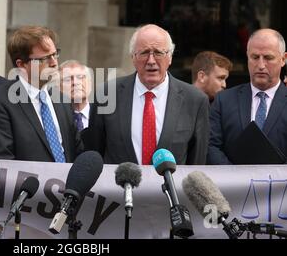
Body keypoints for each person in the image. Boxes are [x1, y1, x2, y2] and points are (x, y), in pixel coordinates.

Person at [86, 24, 209, 165]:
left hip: (171, 186)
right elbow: (94, 154)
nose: (151, 61)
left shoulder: (195, 100)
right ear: (133, 57)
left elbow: (197, 162)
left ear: (169, 57)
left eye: (158, 52)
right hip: (119, 185)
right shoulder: (107, 94)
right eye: (144, 53)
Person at [0, 26, 83, 162]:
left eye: (54, 54)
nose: (54, 63)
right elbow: (4, 161)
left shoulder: (62, 100)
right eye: (44, 59)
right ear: (21, 64)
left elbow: (77, 151)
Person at [208, 28, 287, 164]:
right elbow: (211, 146)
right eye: (255, 57)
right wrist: (237, 179)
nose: (261, 65)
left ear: (283, 59)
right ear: (247, 57)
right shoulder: (224, 100)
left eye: (268, 58)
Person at [58, 60, 93, 131]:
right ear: (58, 87)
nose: (75, 82)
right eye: (67, 79)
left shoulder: (103, 116)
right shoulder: (54, 120)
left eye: (80, 77)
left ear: (90, 83)